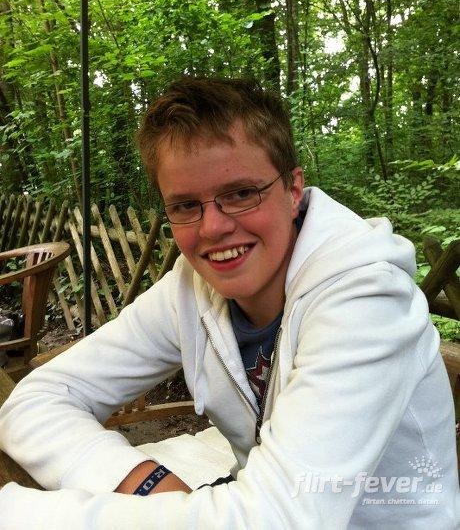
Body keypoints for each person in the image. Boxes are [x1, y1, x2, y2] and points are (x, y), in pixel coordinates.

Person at [0, 77, 458, 528]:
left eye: (241, 194)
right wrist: (141, 479)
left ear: (292, 190)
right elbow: (35, 400)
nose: (213, 228)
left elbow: (276, 519)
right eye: (185, 205)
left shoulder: (367, 300)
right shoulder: (190, 290)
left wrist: (19, 514)